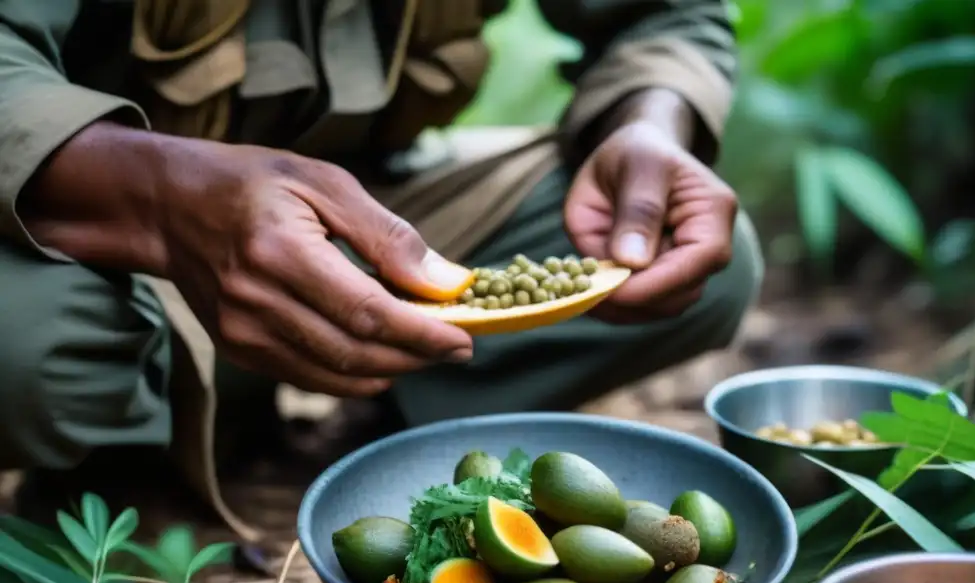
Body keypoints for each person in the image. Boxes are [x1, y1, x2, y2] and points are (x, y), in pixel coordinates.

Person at [0, 0, 761, 538]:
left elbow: (662, 13)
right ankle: (132, 454)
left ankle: (357, 429)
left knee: (686, 257)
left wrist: (650, 122)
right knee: (30, 350)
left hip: (371, 204)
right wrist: (164, 199)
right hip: (104, 202)